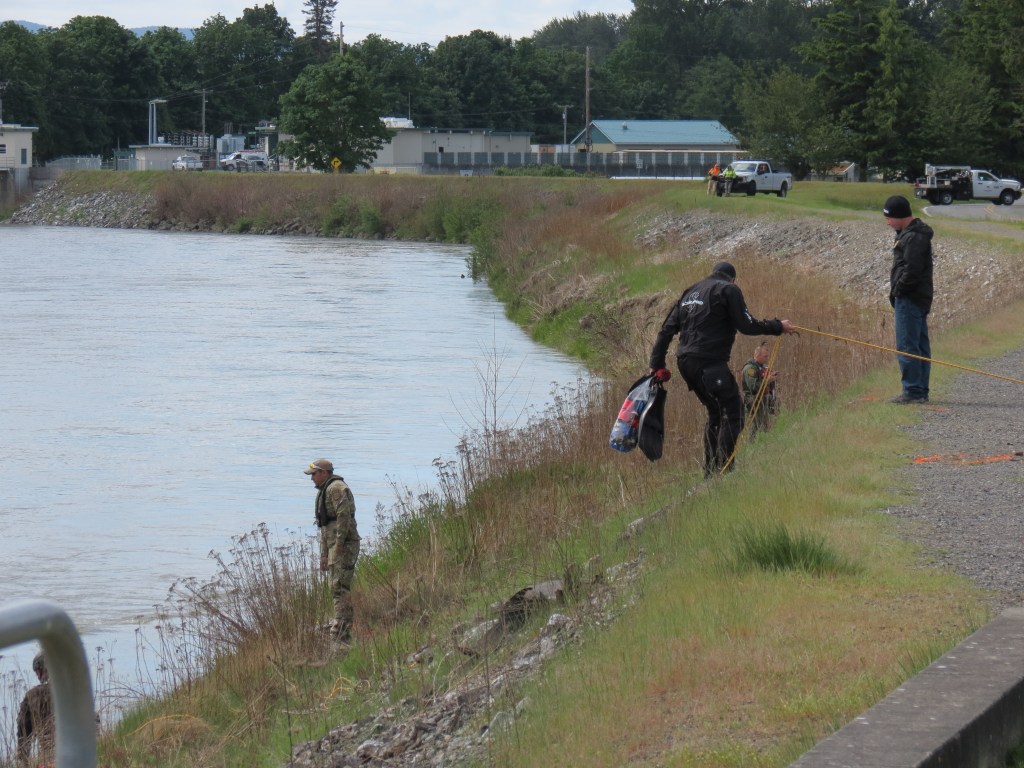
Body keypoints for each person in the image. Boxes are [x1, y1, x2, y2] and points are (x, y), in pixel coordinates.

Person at [648, 261, 796, 476]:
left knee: (716, 413)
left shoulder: (690, 292)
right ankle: (726, 471)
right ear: (733, 279)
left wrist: (656, 365)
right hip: (709, 362)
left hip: (685, 363)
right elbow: (746, 325)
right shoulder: (729, 290)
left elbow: (665, 331)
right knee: (734, 413)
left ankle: (711, 472)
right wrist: (777, 327)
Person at [883, 194, 933, 404]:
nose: (887, 222)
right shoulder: (910, 234)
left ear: (900, 216)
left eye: (889, 217)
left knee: (908, 345)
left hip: (910, 298)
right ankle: (919, 390)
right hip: (917, 297)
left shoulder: (913, 237)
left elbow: (912, 271)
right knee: (919, 345)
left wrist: (898, 291)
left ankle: (912, 391)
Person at [305, 458, 360, 647]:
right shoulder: (325, 490)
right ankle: (340, 626)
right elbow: (325, 525)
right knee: (336, 588)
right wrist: (324, 554)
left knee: (339, 588)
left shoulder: (335, 488)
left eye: (313, 474)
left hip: (343, 546)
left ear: (324, 473)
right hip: (334, 546)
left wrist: (338, 546)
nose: (311, 478)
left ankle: (341, 633)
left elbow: (344, 517)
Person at [17, 651, 54, 766]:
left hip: (51, 758)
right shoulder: (76, 689)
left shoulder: (32, 696)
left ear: (42, 670)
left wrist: (24, 762)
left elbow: (23, 736)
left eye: (37, 671)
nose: (38, 676)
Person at [740, 342, 779, 437]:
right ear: (757, 355)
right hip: (753, 399)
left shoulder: (763, 367)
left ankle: (765, 440)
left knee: (765, 423)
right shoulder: (750, 369)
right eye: (765, 356)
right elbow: (753, 387)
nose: (767, 359)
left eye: (768, 356)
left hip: (763, 398)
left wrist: (772, 378)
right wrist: (767, 380)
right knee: (757, 424)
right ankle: (752, 443)